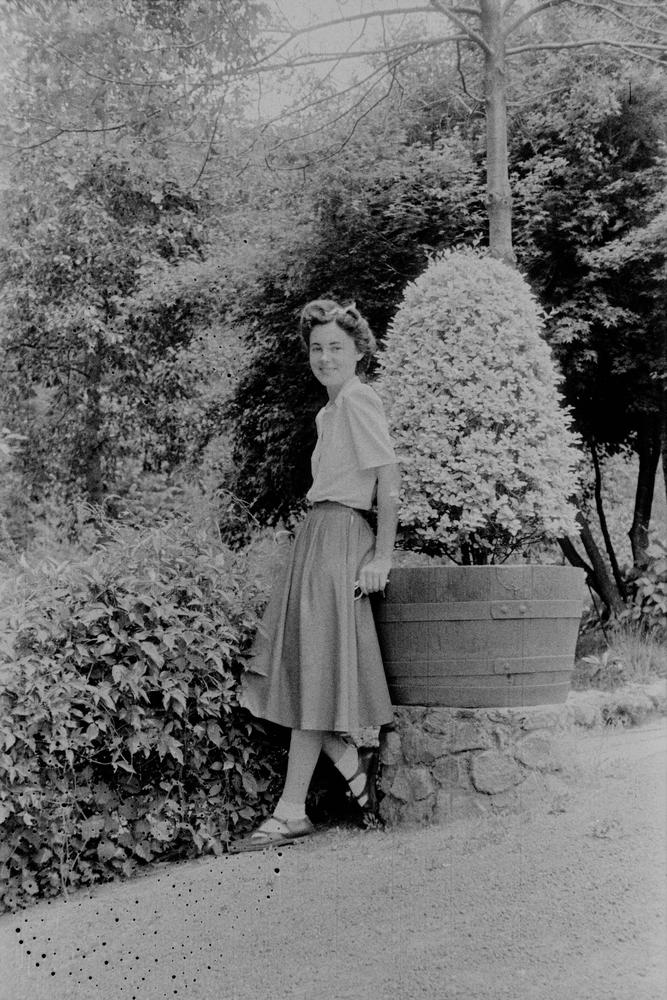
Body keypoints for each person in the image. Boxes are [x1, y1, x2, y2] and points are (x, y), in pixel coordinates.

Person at [230, 298, 400, 853]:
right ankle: (349, 760)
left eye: (336, 348)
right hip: (317, 536)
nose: (325, 357)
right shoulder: (329, 413)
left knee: (311, 669)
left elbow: (389, 478)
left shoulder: (359, 399)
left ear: (358, 351)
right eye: (317, 348)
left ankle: (290, 811)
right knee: (297, 667)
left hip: (342, 537)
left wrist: (381, 557)